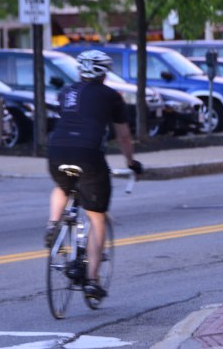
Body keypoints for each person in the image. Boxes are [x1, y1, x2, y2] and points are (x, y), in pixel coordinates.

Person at [45, 49, 142, 300]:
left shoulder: (66, 93)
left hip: (57, 152)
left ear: (80, 71)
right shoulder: (112, 96)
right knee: (97, 219)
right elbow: (123, 136)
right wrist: (131, 162)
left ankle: (53, 224)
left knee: (62, 186)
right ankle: (92, 279)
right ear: (104, 73)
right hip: (88, 155)